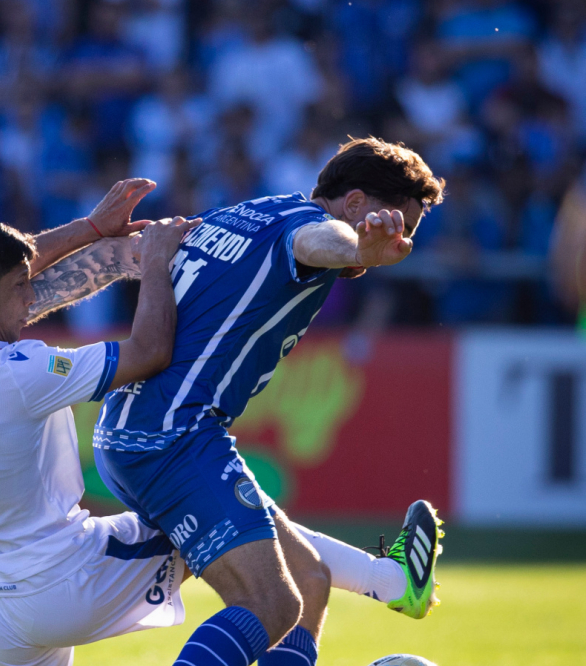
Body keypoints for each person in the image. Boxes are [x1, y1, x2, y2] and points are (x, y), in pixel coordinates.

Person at [90, 138, 446, 666]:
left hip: (128, 430)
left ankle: (393, 582)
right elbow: (317, 240)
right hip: (173, 436)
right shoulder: (310, 229)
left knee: (309, 582)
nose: (400, 242)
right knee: (271, 602)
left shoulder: (248, 211)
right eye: (398, 225)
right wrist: (357, 249)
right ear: (353, 203)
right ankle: (394, 582)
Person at [0, 178, 201, 666]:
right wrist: (157, 263)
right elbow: (149, 352)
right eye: (20, 288)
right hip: (56, 577)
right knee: (229, 521)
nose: (31, 296)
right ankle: (348, 579)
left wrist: (91, 228)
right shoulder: (17, 373)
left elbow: (7, 266)